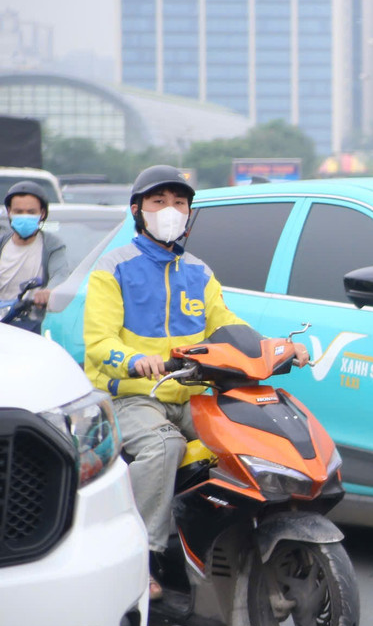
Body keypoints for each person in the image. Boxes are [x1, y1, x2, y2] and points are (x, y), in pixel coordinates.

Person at [83, 165, 306, 599]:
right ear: (137, 210)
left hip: (189, 397)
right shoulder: (113, 268)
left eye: (179, 203)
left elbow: (229, 326)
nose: (170, 210)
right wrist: (135, 361)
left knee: (241, 440)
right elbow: (98, 343)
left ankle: (213, 544)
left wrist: (277, 348)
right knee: (165, 446)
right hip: (131, 397)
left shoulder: (199, 272)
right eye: (159, 201)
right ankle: (141, 558)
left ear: (189, 213)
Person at [0, 180, 69, 333]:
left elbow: (60, 274)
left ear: (42, 213)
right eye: (18, 212)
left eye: (31, 212)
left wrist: (48, 292)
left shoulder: (52, 245)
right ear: (9, 212)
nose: (24, 216)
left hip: (34, 324)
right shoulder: (2, 244)